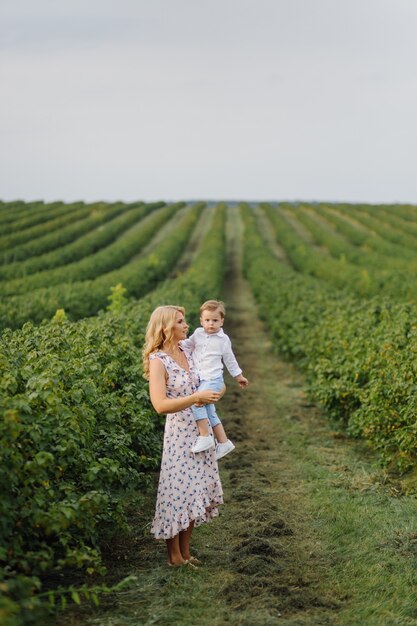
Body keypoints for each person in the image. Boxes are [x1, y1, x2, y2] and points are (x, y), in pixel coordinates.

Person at [143, 305, 224, 567]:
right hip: (179, 433)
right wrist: (195, 398)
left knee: (195, 490)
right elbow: (160, 405)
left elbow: (212, 374)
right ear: (167, 328)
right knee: (177, 491)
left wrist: (218, 389)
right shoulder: (158, 360)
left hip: (201, 430)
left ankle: (186, 553)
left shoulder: (188, 350)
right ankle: (174, 557)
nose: (186, 325)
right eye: (180, 322)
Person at [181, 300, 249, 459]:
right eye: (207, 320)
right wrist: (175, 342)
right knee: (210, 413)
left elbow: (230, 360)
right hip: (201, 379)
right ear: (201, 321)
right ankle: (224, 442)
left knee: (197, 402)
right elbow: (188, 345)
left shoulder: (223, 340)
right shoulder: (198, 333)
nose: (211, 324)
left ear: (222, 321)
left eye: (215, 320)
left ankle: (205, 436)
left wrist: (239, 376)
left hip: (213, 380)